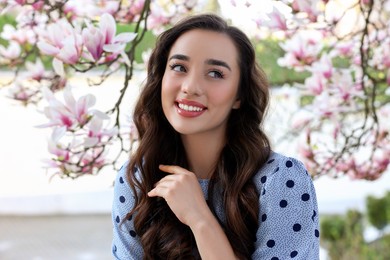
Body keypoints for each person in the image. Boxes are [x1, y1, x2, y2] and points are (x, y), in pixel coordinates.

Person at [112, 13, 320, 260]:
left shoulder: (280, 179)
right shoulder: (137, 179)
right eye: (179, 67)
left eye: (215, 73)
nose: (190, 86)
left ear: (239, 95)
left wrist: (200, 219)